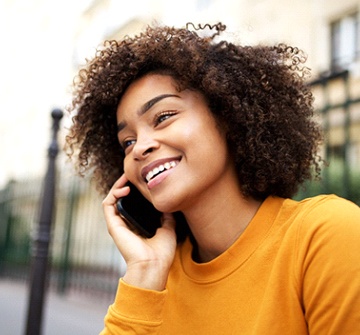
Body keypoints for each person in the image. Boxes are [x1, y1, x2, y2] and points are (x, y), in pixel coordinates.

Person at [65, 23, 360, 334]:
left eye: (163, 117)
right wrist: (145, 272)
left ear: (228, 117)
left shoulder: (327, 235)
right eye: (127, 141)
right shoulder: (155, 280)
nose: (139, 147)